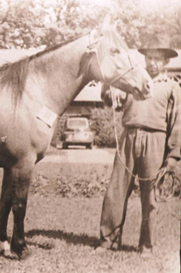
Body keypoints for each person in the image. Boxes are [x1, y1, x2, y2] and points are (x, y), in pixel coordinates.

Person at [98, 36, 181, 257]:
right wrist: (110, 89)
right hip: (128, 137)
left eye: (157, 59)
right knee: (116, 191)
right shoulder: (134, 80)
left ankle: (146, 246)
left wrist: (173, 156)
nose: (152, 62)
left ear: (165, 62)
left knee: (150, 196)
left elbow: (177, 123)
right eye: (149, 58)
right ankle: (108, 241)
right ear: (144, 60)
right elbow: (109, 100)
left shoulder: (172, 86)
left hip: (155, 140)